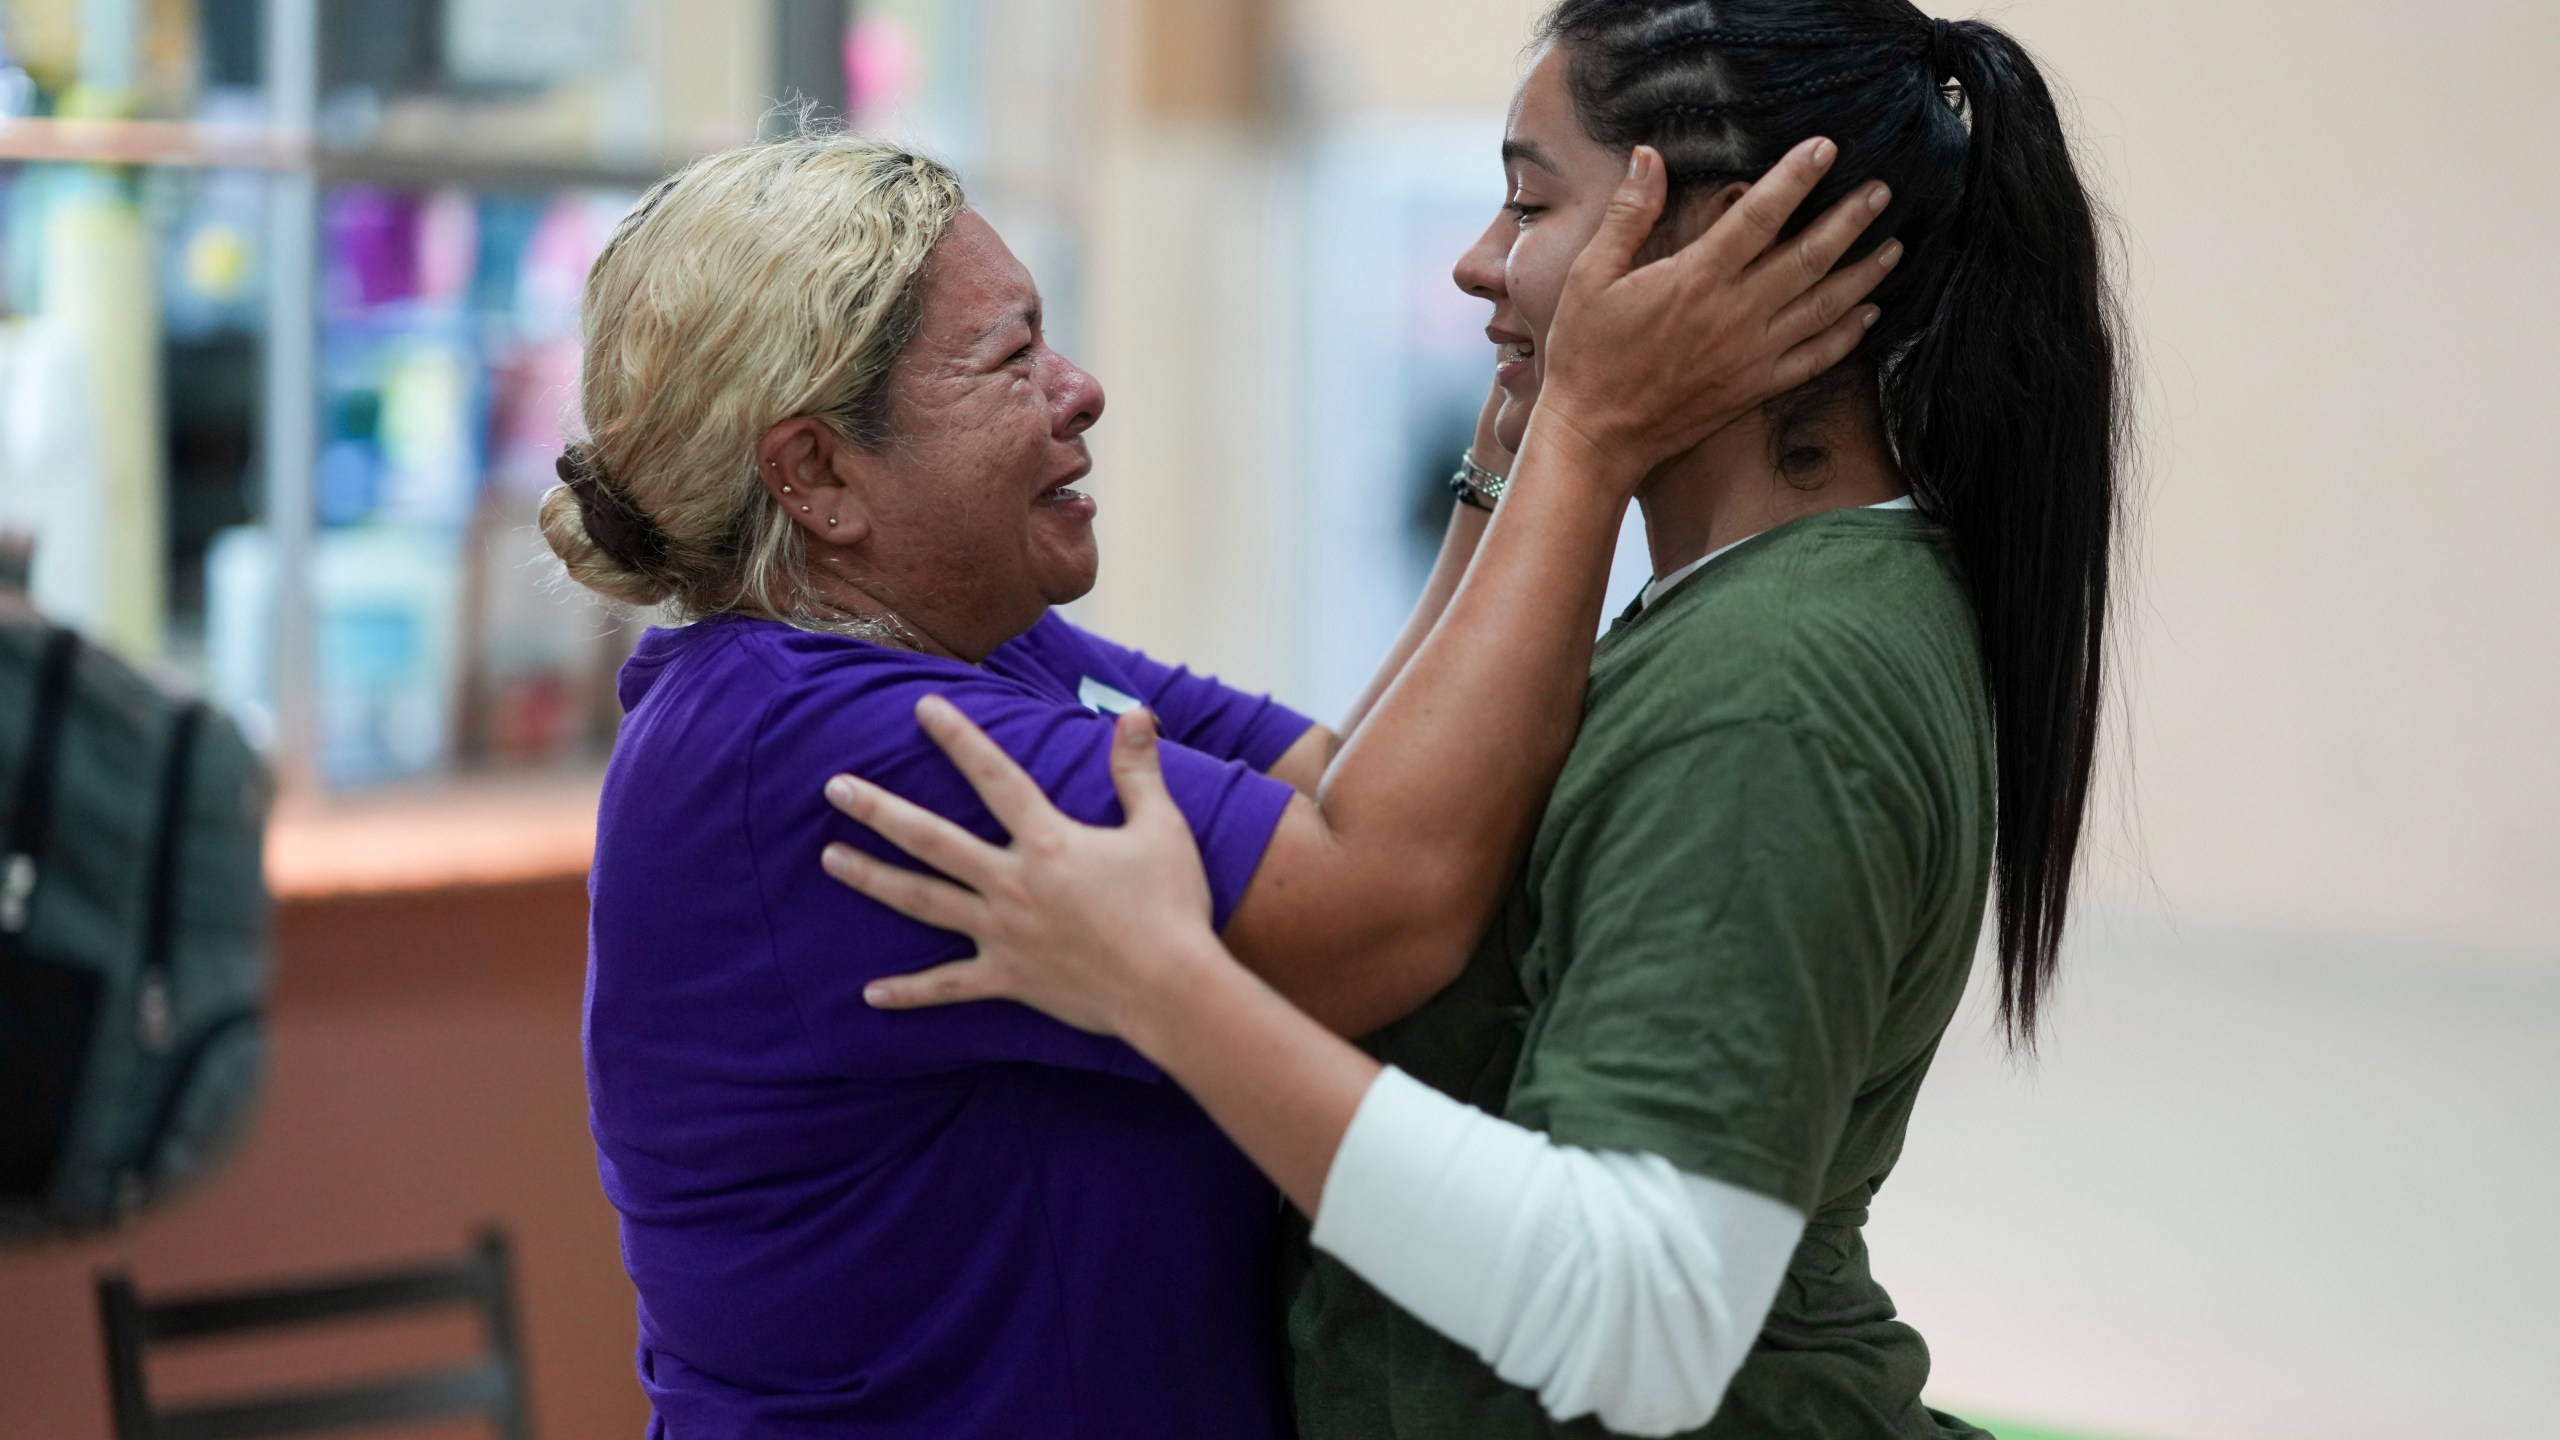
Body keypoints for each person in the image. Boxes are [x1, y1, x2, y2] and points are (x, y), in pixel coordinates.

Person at [819, 2, 2125, 1437]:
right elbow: (1364, 820)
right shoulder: (1754, 611)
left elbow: (1648, 1315)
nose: (1478, 260)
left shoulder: (1781, 674)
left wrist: (1160, 984)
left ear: (1705, 250)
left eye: (1528, 201)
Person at [553, 126, 1890, 1436]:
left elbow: (1349, 789)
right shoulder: (817, 741)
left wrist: (1508, 466)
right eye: (1013, 358)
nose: (1079, 388)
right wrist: (1593, 438)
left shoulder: (983, 644)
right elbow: (1386, 905)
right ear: (821, 473)